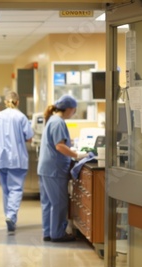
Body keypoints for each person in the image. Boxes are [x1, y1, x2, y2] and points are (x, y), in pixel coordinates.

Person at [37, 95, 88, 242]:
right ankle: (58, 234)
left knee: (48, 202)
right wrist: (77, 155)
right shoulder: (58, 122)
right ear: (70, 109)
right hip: (54, 169)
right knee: (59, 203)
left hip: (46, 168)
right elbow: (59, 146)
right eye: (74, 111)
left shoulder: (52, 120)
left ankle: (48, 232)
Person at [0, 91, 33, 233]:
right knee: (16, 188)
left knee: (6, 189)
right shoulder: (21, 117)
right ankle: (11, 216)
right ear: (17, 102)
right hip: (16, 157)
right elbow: (29, 137)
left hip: (1, 158)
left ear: (5, 102)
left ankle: (9, 215)